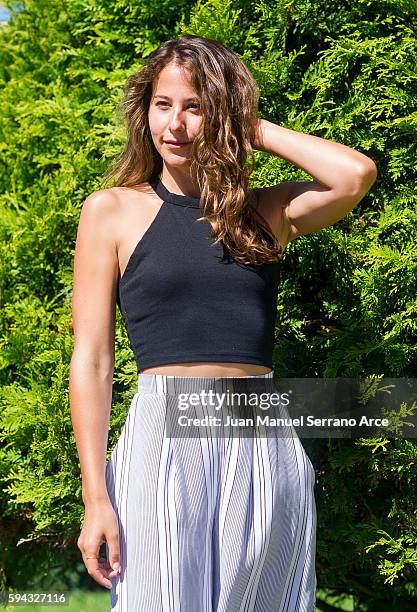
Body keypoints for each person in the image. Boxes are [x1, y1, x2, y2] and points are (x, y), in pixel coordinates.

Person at [69, 34, 377, 612]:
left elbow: (353, 175)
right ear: (145, 112)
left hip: (259, 428)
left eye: (195, 106)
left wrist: (248, 125)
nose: (176, 125)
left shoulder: (264, 212)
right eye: (163, 105)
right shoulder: (111, 210)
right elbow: (92, 359)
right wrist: (95, 498)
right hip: (161, 429)